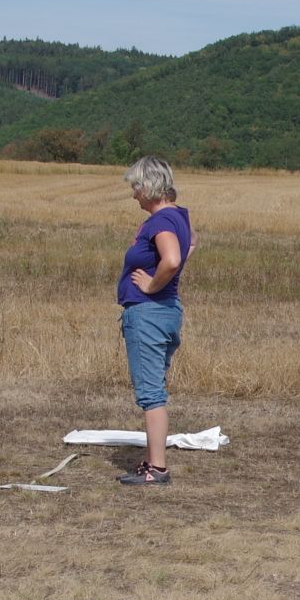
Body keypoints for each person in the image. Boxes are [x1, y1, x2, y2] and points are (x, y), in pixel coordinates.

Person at [114, 157, 192, 486]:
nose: (133, 194)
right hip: (165, 312)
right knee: (154, 388)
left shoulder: (160, 220)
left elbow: (172, 259)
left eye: (136, 187)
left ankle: (157, 469)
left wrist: (151, 285)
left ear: (149, 187)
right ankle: (152, 460)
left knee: (150, 394)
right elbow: (189, 246)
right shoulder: (178, 216)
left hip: (149, 314)